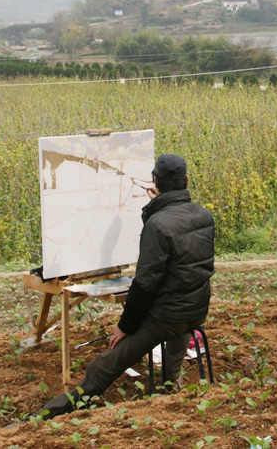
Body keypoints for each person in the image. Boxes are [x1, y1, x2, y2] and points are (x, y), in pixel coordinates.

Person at [37, 154, 215, 418]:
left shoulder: (158, 224)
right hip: (196, 311)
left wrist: (125, 327)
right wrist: (158, 208)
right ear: (186, 181)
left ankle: (55, 413)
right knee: (178, 331)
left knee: (105, 365)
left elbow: (144, 286)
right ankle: (170, 385)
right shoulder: (204, 216)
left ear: (155, 181)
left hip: (166, 317)